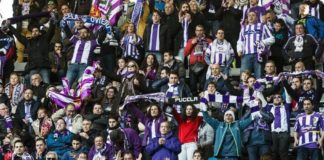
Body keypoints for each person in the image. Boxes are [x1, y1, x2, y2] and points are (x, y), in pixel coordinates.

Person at [62, 21, 106, 87]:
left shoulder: (93, 43)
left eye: (84, 32)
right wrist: (64, 22)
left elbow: (101, 38)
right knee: (66, 85)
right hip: (73, 66)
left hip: (84, 67)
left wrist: (104, 26)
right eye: (81, 33)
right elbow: (68, 32)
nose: (82, 34)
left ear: (88, 34)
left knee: (81, 85)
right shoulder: (76, 40)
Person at [237, 11, 274, 79]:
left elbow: (272, 39)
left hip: (259, 55)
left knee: (259, 76)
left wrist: (261, 42)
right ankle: (245, 89)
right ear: (247, 18)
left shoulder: (262, 26)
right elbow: (240, 41)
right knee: (244, 76)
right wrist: (239, 49)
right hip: (246, 55)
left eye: (253, 15)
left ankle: (258, 89)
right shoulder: (244, 28)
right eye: (249, 15)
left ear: (257, 17)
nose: (251, 17)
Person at [184, 25, 212, 96]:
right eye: (197, 30)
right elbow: (185, 53)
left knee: (203, 83)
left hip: (204, 64)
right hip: (193, 65)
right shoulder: (191, 40)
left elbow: (212, 53)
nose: (199, 32)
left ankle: (202, 100)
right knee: (192, 84)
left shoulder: (209, 41)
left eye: (201, 30)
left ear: (204, 31)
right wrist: (191, 43)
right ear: (195, 32)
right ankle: (194, 100)